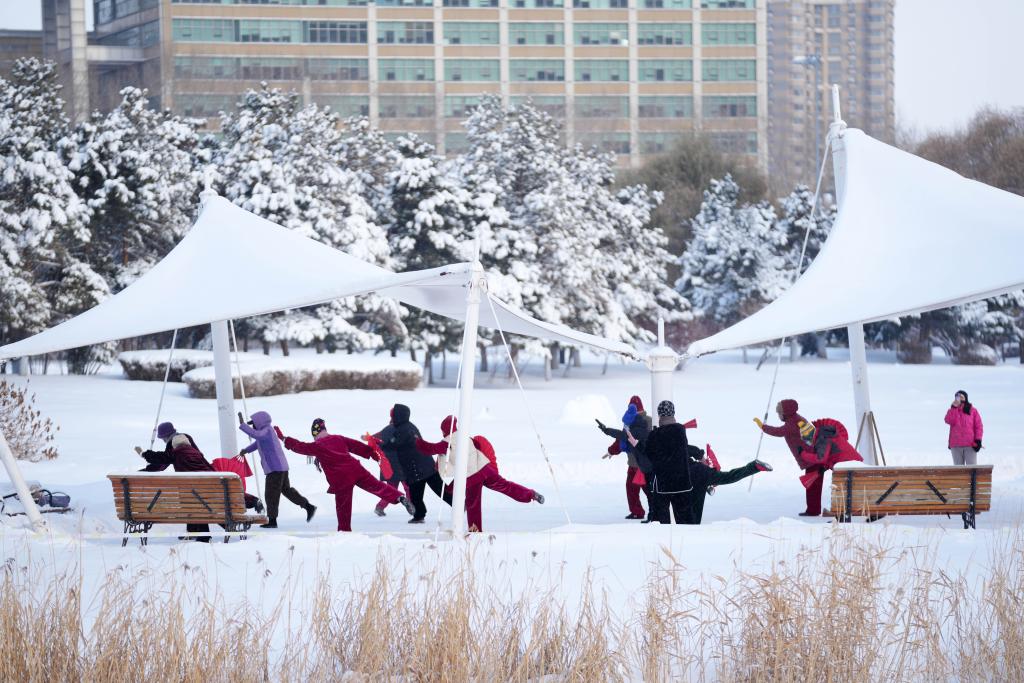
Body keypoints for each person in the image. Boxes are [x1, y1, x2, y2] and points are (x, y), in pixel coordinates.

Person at [277, 418, 416, 532]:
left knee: (343, 506)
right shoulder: (338, 438)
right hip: (356, 469)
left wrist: (283, 438)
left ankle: (344, 532)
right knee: (377, 486)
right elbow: (356, 446)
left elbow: (300, 447)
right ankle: (400, 497)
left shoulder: (317, 446)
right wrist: (372, 453)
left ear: (315, 434)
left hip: (341, 478)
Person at [416, 415, 543, 532]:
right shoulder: (465, 437)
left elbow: (429, 449)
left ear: (444, 430)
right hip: (485, 469)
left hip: (472, 477)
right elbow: (477, 445)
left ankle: (475, 534)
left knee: (473, 505)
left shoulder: (447, 442)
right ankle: (531, 494)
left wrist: (416, 441)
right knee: (506, 486)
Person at [135, 429, 216, 542]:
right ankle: (195, 532)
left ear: (174, 445)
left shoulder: (177, 453)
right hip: (209, 488)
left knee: (192, 501)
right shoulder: (197, 453)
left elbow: (161, 458)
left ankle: (203, 537)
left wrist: (144, 454)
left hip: (192, 490)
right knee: (197, 501)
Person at [239, 410, 315, 529]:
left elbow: (256, 436)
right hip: (281, 467)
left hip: (275, 469)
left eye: (253, 423)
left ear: (260, 422)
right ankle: (308, 506)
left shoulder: (267, 430)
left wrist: (243, 425)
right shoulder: (265, 433)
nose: (252, 426)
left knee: (271, 494)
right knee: (287, 490)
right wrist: (246, 450)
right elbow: (257, 443)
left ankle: (272, 521)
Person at [380, 404, 449, 523]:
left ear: (398, 416)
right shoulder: (406, 426)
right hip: (421, 465)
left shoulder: (404, 429)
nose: (392, 418)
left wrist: (381, 444)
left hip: (419, 467)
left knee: (437, 489)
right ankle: (419, 515)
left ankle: (460, 505)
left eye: (393, 416)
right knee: (416, 493)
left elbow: (394, 444)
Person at [755, 399, 825, 517]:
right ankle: (814, 510)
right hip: (815, 457)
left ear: (786, 413)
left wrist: (763, 426)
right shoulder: (797, 419)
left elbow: (778, 432)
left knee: (812, 486)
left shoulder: (793, 422)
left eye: (779, 413)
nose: (779, 416)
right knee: (813, 485)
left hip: (813, 459)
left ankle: (813, 511)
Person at [631, 400, 695, 524]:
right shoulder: (681, 431)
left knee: (661, 523)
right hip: (682, 484)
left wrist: (636, 444)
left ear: (659, 414)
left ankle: (664, 543)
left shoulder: (655, 435)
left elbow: (648, 455)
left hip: (663, 485)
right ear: (673, 412)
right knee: (686, 522)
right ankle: (687, 542)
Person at [596, 396, 653, 520]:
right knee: (632, 489)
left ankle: (650, 511)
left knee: (646, 490)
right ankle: (638, 511)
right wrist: (611, 451)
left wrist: (611, 450)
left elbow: (622, 439)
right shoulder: (630, 422)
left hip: (642, 464)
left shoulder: (645, 421)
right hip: (634, 464)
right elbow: (622, 439)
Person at [364, 420, 410, 518]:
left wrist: (366, 437)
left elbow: (371, 439)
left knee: (392, 489)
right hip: (401, 465)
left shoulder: (385, 431)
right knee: (408, 487)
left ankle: (380, 507)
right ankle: (412, 506)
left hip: (388, 466)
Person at [945, 390, 983, 465]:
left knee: (972, 470)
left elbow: (978, 426)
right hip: (956, 445)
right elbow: (948, 420)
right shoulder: (953, 410)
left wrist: (978, 440)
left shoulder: (973, 411)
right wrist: (953, 408)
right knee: (959, 472)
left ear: (966, 398)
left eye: (961, 397)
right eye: (957, 397)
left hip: (970, 445)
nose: (960, 399)